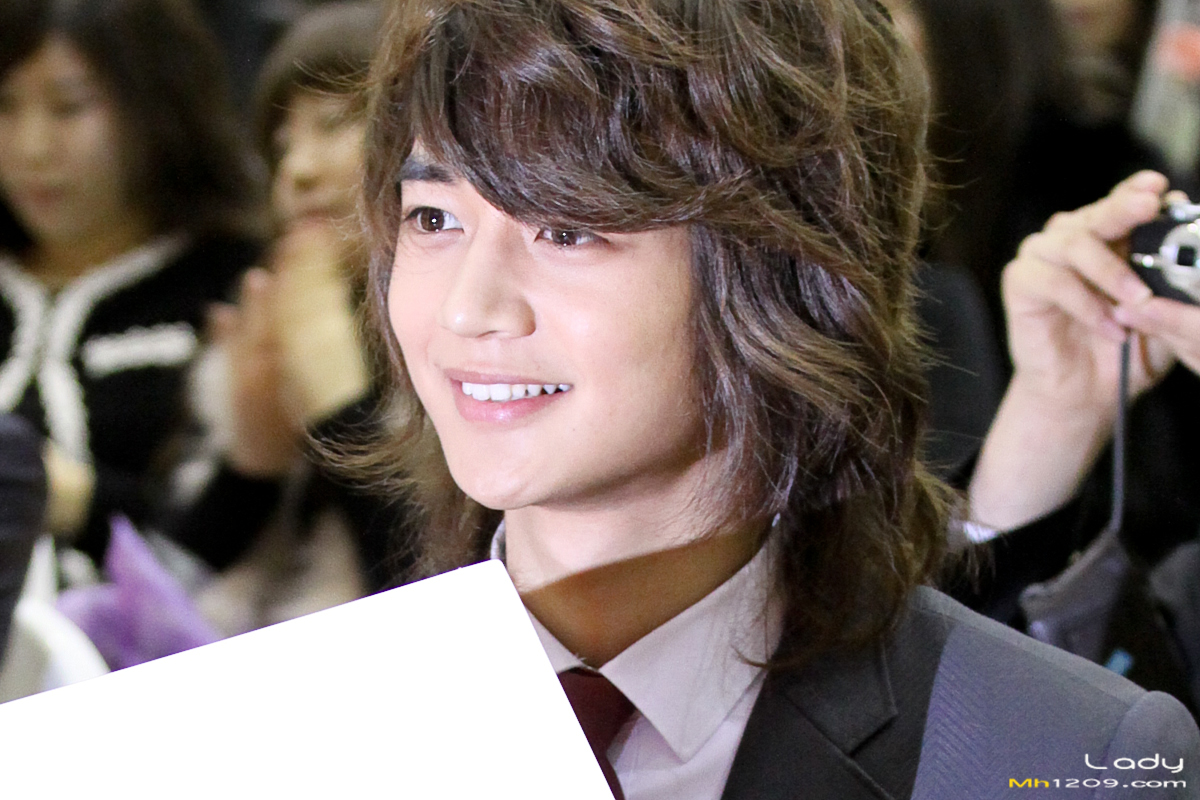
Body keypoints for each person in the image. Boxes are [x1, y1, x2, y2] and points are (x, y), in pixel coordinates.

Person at [352, 1, 1199, 797]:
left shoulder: (1061, 752)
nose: (468, 308)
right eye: (433, 219)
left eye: (566, 229)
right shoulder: (311, 711)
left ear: (785, 261)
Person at [163, 1, 413, 632]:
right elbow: (163, 596)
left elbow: (440, 596)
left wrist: (335, 396)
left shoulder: (470, 338)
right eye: (282, 146)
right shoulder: (264, 318)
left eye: (335, 124)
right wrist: (250, 466)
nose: (297, 172)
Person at [0, 0, 265, 564]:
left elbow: (239, 532)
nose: (32, 148)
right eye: (4, 106)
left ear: (155, 108)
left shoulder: (237, 283)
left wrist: (64, 497)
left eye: (69, 108)